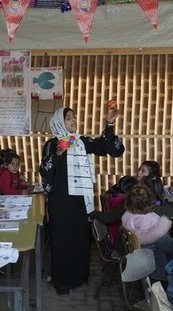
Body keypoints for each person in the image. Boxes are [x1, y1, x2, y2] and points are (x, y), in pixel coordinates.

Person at [39, 106, 124, 295]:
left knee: (79, 238)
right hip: (60, 201)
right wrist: (59, 153)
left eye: (74, 117)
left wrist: (109, 124)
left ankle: (78, 277)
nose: (73, 120)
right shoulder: (52, 144)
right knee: (62, 240)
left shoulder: (82, 141)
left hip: (80, 200)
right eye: (68, 118)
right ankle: (62, 281)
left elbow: (106, 148)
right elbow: (45, 170)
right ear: (60, 122)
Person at [121, 185, 173, 280]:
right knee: (164, 248)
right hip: (150, 254)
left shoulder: (127, 216)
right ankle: (160, 276)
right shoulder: (150, 221)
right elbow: (165, 243)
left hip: (136, 250)